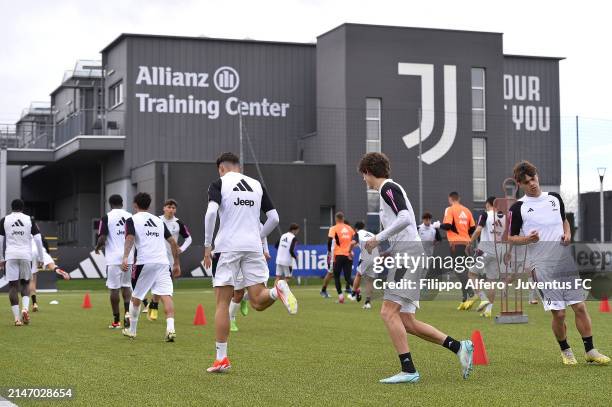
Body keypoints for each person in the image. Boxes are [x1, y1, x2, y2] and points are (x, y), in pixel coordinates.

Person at [358, 152, 473, 384]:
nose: (364, 180)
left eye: (363, 175)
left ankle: (408, 370)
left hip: (407, 256)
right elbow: (404, 224)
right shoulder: (390, 190)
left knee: (387, 312)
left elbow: (404, 218)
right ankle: (460, 347)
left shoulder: (387, 188)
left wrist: (378, 239)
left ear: (369, 172)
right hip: (408, 254)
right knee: (407, 321)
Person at [507, 161, 609, 366]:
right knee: (559, 313)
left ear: (538, 176)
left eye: (533, 178)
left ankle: (590, 351)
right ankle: (566, 350)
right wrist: (528, 239)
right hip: (542, 266)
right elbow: (510, 237)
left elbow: (564, 221)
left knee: (579, 307)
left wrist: (568, 234)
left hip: (565, 262)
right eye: (526, 182)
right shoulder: (518, 208)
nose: (532, 184)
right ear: (520, 184)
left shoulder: (554, 198)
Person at [203, 152, 297, 373]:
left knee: (222, 304)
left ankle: (221, 359)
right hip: (253, 246)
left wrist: (207, 245)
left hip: (228, 247)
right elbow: (274, 218)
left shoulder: (218, 183)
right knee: (258, 300)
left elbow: (210, 213)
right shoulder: (256, 184)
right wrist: (258, 235)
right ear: (239, 167)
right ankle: (277, 290)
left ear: (221, 168)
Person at [121, 192, 181, 342]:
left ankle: (132, 330)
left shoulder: (132, 219)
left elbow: (129, 238)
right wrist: (176, 263)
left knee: (136, 296)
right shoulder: (158, 221)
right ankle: (170, 329)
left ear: (135, 205)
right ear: (149, 205)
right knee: (166, 296)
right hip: (162, 262)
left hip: (144, 262)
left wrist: (125, 257)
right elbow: (173, 242)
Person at [145, 199, 193, 321]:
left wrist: (181, 249)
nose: (171, 209)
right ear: (164, 208)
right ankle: (154, 306)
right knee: (157, 283)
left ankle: (153, 304)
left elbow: (189, 239)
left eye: (173, 208)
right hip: (157, 257)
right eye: (169, 207)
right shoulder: (157, 220)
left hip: (171, 259)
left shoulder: (178, 223)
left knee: (166, 285)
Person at [0, 199, 44, 326]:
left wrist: (1, 258)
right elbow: (38, 239)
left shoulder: (4, 220)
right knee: (25, 284)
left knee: (13, 287)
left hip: (10, 256)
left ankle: (17, 318)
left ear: (11, 207)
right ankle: (25, 308)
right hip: (26, 256)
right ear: (23, 208)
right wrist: (41, 258)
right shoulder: (29, 220)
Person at [95, 194, 134, 329]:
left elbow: (102, 238)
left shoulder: (106, 217)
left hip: (113, 259)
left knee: (114, 289)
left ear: (109, 204)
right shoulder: (130, 216)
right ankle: (128, 313)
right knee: (127, 286)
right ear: (122, 203)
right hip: (128, 257)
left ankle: (116, 321)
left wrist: (97, 248)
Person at [466, 196, 504, 317]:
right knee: (491, 281)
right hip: (498, 251)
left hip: (484, 249)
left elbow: (478, 231)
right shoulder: (504, 217)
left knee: (471, 274)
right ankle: (488, 311)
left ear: (488, 204)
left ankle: (482, 298)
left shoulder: (485, 214)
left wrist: (470, 242)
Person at [229, 224, 271, 332]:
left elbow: (264, 236)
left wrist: (266, 251)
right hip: (238, 257)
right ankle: (231, 319)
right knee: (238, 293)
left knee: (262, 288)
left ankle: (244, 299)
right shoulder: (237, 217)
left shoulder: (259, 224)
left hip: (256, 257)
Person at [440, 191, 477, 310]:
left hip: (456, 244)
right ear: (459, 198)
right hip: (466, 244)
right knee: (464, 270)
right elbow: (472, 229)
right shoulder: (467, 211)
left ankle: (470, 291)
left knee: (458, 270)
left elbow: (447, 226)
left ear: (450, 199)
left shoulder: (450, 210)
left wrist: (437, 225)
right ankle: (464, 298)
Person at [29, 236, 70, 311]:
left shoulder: (26, 234)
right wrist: (44, 259)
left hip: (30, 253)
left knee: (32, 280)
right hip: (42, 251)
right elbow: (47, 249)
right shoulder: (40, 236)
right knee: (52, 265)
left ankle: (34, 303)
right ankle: (57, 269)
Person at [323, 212, 355, 303]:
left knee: (336, 276)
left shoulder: (334, 228)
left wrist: (329, 251)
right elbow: (354, 239)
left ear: (336, 219)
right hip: (348, 255)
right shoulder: (349, 228)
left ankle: (341, 298)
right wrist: (351, 250)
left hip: (338, 255)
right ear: (343, 218)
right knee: (348, 277)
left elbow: (329, 241)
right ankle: (357, 290)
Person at [350, 221, 378, 309]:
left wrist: (349, 252)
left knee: (359, 274)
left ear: (356, 229)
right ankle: (368, 302)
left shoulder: (357, 233)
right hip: (375, 256)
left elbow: (352, 243)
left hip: (365, 256)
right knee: (370, 280)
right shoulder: (370, 233)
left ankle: (353, 294)